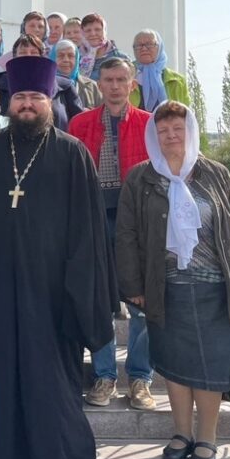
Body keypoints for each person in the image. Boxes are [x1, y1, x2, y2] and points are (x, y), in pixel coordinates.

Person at [0, 56, 114, 459]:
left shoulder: (72, 153)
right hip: (1, 290)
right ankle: (10, 457)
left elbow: (89, 231)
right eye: (21, 96)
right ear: (10, 101)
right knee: (6, 374)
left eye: (36, 97)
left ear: (49, 101)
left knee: (53, 376)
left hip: (53, 292)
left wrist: (79, 287)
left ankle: (59, 456)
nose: (27, 104)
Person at [116, 101, 230, 459]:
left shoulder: (215, 174)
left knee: (210, 368)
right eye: (163, 131)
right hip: (166, 286)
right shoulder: (141, 178)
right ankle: (181, 433)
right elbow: (126, 235)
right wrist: (132, 285)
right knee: (175, 365)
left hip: (216, 286)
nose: (171, 136)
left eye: (178, 129)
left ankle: (207, 437)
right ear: (153, 136)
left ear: (190, 132)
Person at [68, 58, 155, 411]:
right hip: (92, 219)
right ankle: (105, 376)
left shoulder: (150, 125)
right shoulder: (80, 123)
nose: (115, 86)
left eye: (122, 79)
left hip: (137, 222)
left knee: (141, 304)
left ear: (132, 84)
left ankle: (140, 378)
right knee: (99, 301)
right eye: (109, 80)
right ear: (98, 84)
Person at [0, 35, 83, 129]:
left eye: (33, 52)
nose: (28, 56)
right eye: (23, 52)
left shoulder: (65, 86)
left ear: (42, 57)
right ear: (14, 57)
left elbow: (79, 122)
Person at [131, 29, 190, 111]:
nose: (144, 48)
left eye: (149, 44)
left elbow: (185, 115)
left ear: (160, 47)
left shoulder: (178, 81)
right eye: (139, 45)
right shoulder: (125, 78)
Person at [51, 39, 102, 110]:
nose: (66, 60)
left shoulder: (92, 86)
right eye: (61, 56)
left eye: (71, 56)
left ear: (77, 59)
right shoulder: (46, 86)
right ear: (53, 58)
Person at [79, 13, 128, 80]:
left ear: (104, 31)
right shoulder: (76, 57)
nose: (93, 34)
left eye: (97, 29)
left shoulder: (121, 58)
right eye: (88, 30)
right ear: (82, 33)